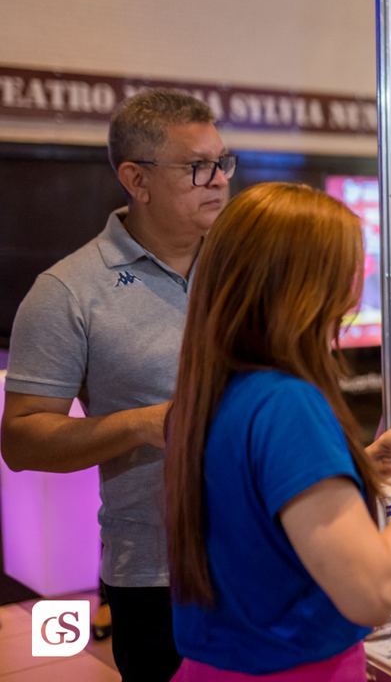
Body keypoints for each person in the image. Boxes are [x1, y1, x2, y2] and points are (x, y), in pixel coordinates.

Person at [165, 182, 391, 680]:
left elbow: (260, 503)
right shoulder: (287, 402)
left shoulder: (215, 389)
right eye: (348, 268)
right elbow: (374, 593)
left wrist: (362, 462)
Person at [1, 90, 233, 682]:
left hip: (269, 546)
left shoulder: (244, 267)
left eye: (222, 162)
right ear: (136, 179)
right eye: (197, 167)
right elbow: (21, 440)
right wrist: (143, 423)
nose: (218, 180)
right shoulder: (68, 291)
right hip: (159, 575)